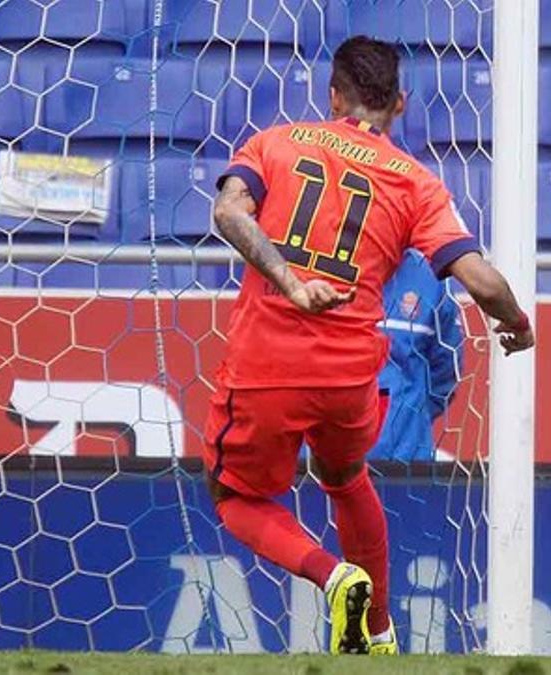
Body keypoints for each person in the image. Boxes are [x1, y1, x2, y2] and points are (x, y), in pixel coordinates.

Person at [207, 35, 533, 656]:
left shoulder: (274, 143)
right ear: (401, 103)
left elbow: (228, 213)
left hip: (266, 364)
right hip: (352, 377)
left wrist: (289, 282)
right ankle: (379, 631)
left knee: (235, 496)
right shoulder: (416, 183)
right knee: (347, 476)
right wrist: (515, 319)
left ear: (333, 95)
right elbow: (478, 278)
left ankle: (334, 579)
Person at [371, 249, 464, 461]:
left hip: (404, 460)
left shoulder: (430, 276)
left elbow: (445, 372)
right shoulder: (316, 269)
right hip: (317, 460)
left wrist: (410, 418)